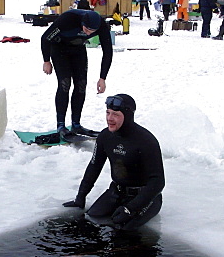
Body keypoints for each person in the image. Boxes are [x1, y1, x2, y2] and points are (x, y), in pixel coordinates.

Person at [62, 94, 165, 230]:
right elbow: (94, 166)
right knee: (90, 219)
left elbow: (158, 181)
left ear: (127, 116)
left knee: (124, 229)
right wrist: (81, 196)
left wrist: (130, 208)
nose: (109, 118)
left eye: (115, 114)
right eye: (108, 113)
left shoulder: (146, 141)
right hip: (116, 192)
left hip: (145, 198)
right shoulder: (105, 137)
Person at [40, 9, 113, 136]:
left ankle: (76, 124)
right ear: (82, 22)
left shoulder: (101, 25)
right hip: (59, 49)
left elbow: (108, 52)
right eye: (86, 29)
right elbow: (45, 38)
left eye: (91, 31)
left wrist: (102, 77)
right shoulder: (68, 19)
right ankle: (61, 125)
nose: (88, 32)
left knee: (81, 85)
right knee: (65, 84)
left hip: (78, 49)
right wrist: (46, 60)